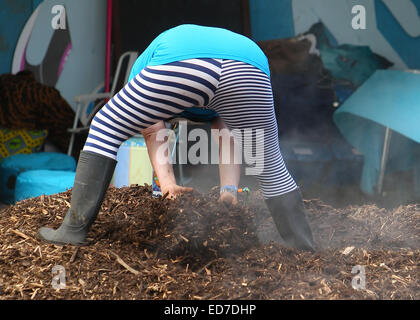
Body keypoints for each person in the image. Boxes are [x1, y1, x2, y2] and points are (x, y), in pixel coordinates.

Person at [38, 24, 315, 251]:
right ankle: (303, 249)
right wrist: (228, 192)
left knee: (105, 126)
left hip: (181, 59)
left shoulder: (144, 69)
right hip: (249, 65)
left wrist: (168, 185)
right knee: (269, 163)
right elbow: (228, 132)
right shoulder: (214, 93)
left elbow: (151, 128)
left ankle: (72, 231)